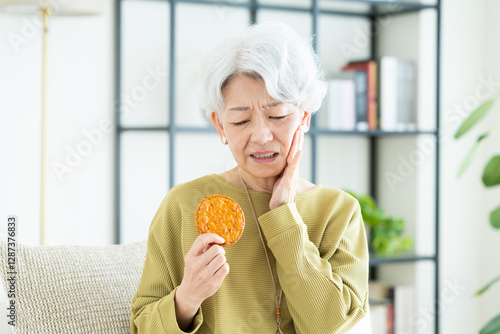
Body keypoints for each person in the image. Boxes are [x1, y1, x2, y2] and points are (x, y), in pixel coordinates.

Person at [130, 21, 369, 334]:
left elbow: (331, 325)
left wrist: (284, 215)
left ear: (304, 117)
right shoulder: (183, 205)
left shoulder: (338, 212)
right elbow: (141, 326)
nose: (261, 135)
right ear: (220, 126)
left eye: (277, 115)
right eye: (241, 120)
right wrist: (187, 298)